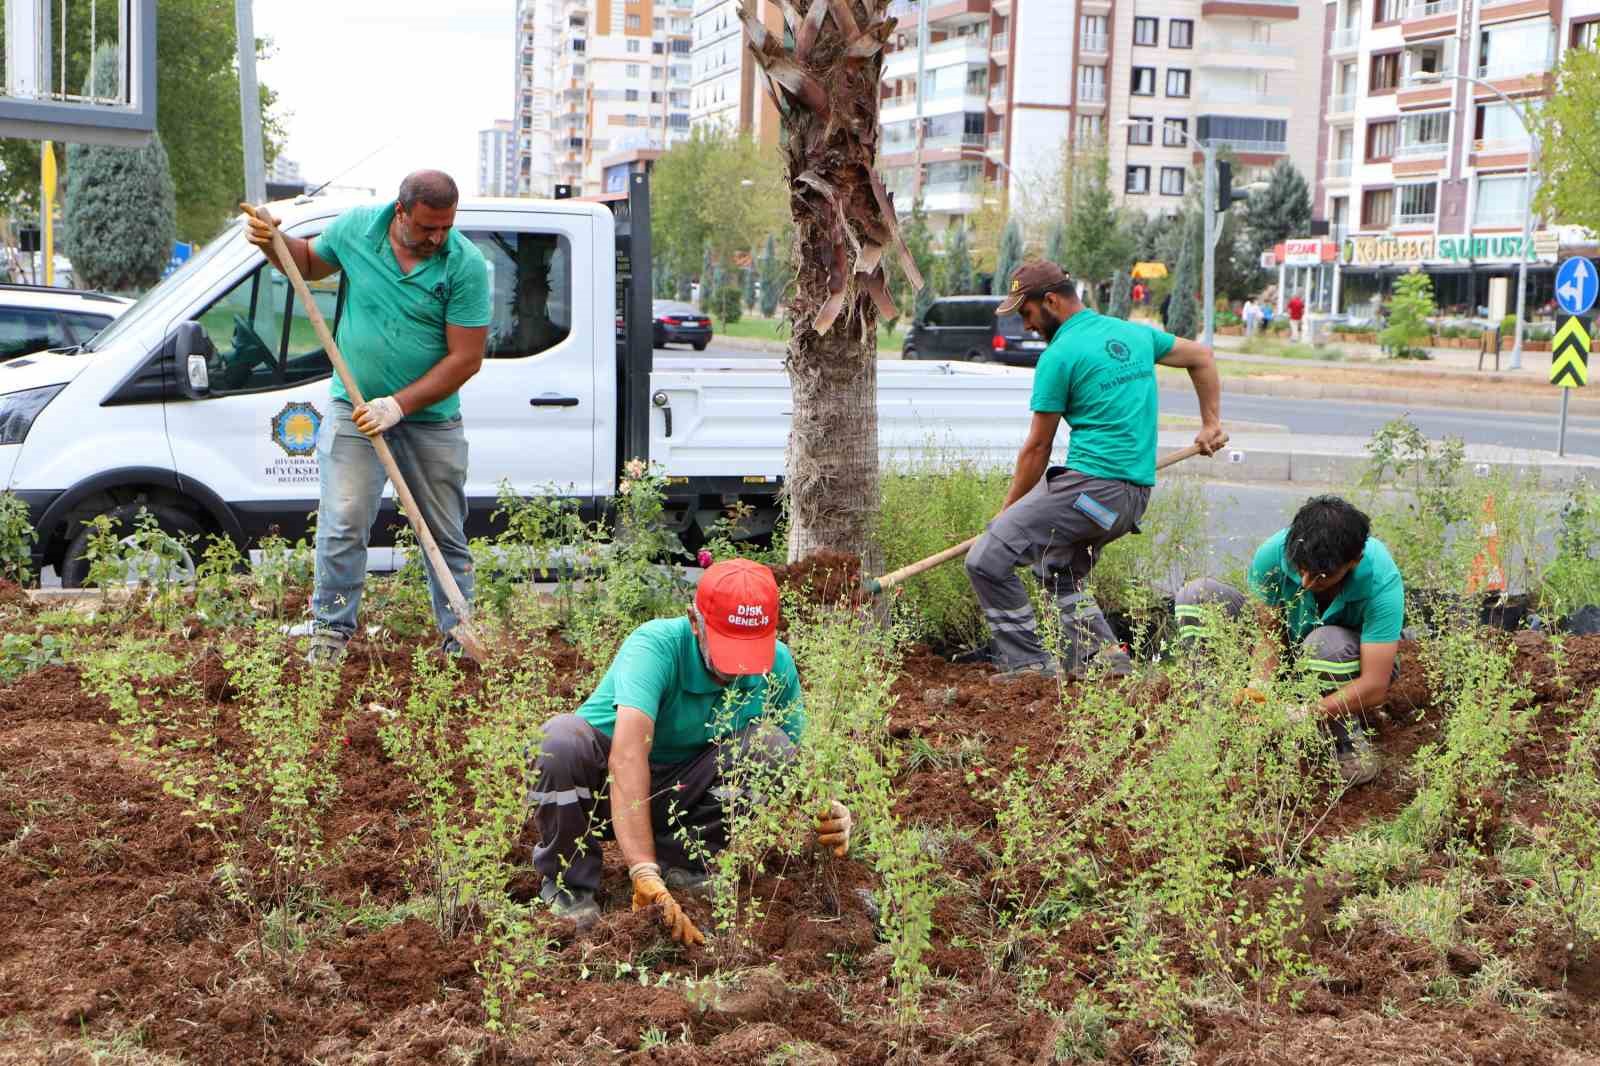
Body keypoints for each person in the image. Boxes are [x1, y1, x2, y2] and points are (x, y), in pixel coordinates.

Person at [528, 559, 852, 938]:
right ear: (694, 621)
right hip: (606, 790)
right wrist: (642, 870)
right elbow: (628, 756)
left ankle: (685, 866)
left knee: (771, 745)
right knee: (557, 742)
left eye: (751, 649)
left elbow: (799, 761)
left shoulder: (776, 664)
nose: (740, 667)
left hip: (689, 794)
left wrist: (834, 810)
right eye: (730, 648)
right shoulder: (654, 648)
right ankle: (569, 887)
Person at [245, 171, 492, 665]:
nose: (436, 238)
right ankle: (331, 633)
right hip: (354, 408)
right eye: (426, 227)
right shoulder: (357, 229)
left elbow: (466, 358)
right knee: (343, 522)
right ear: (400, 212)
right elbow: (311, 264)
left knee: (444, 531)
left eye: (445, 227)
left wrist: (398, 406)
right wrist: (274, 243)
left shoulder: (464, 264)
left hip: (430, 419)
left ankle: (459, 636)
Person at [966, 261, 1226, 681]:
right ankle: (1104, 659)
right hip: (1128, 502)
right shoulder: (1134, 334)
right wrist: (1211, 423)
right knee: (1058, 570)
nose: (1026, 325)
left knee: (987, 558)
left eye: (1026, 313)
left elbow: (1037, 448)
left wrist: (1006, 515)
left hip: (1091, 493)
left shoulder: (1060, 355)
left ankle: (1029, 665)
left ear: (1050, 301)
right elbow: (1202, 356)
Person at [1173, 495, 1404, 787]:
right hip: (1292, 653)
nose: (1306, 583)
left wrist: (1303, 713)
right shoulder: (1273, 554)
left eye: (1322, 576)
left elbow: (1375, 685)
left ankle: (1344, 740)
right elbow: (1268, 634)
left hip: (1341, 660)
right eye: (1300, 568)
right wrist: (1260, 689)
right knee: (1197, 596)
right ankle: (1216, 723)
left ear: (1353, 562)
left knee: (1324, 644)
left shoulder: (1380, 579)